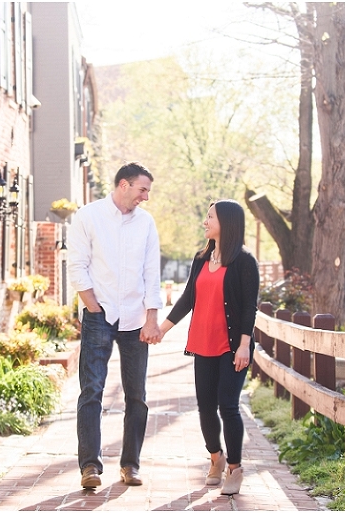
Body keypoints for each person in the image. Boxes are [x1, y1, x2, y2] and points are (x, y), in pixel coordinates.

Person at [67, 162, 162, 489]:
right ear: (124, 185)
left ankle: (130, 465)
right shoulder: (87, 216)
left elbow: (152, 273)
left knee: (137, 394)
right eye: (142, 189)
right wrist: (93, 309)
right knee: (92, 391)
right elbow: (77, 266)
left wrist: (152, 318)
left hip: (136, 319)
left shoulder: (146, 223)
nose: (146, 197)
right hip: (98, 315)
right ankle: (90, 467)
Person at [157, 199, 260, 495]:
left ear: (226, 223)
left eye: (210, 217)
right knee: (204, 408)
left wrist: (244, 345)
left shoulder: (244, 261)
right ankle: (216, 457)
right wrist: (161, 330)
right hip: (202, 343)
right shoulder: (201, 259)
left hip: (231, 347)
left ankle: (235, 469)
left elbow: (248, 309)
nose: (205, 221)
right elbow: (188, 298)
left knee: (227, 406)